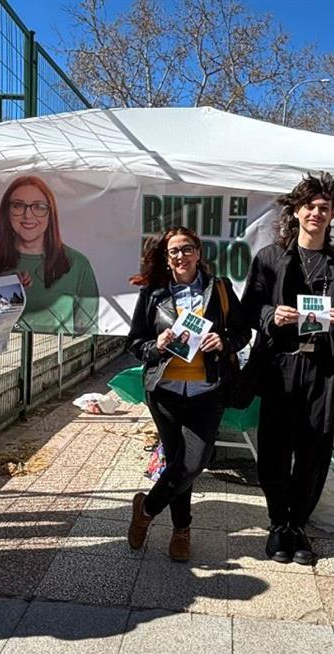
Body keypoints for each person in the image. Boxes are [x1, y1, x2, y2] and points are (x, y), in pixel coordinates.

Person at [241, 172, 334, 566]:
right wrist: (272, 314)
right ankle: (278, 524)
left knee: (315, 451)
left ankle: (299, 525)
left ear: (332, 214)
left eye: (325, 208)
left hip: (324, 367)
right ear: (296, 210)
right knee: (274, 449)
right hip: (281, 366)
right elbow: (249, 310)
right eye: (310, 206)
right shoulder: (270, 258)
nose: (317, 213)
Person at [125, 226, 250, 561]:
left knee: (195, 461)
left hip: (207, 390)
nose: (181, 256)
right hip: (164, 392)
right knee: (178, 460)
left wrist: (224, 342)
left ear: (198, 252)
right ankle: (182, 530)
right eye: (173, 251)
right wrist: (158, 345)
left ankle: (147, 509)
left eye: (186, 249)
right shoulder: (153, 294)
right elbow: (134, 343)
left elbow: (242, 331)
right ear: (167, 259)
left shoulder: (219, 289)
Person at [0, 175, 99, 334]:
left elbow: (88, 331)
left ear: (50, 213)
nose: (28, 215)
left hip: (58, 355)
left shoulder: (77, 264)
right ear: (6, 211)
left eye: (39, 207)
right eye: (18, 205)